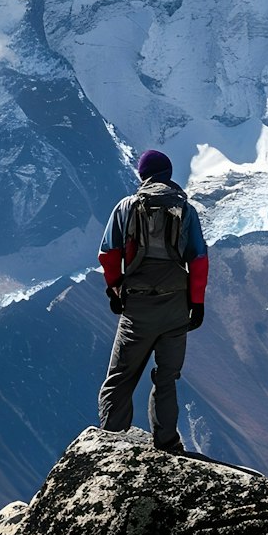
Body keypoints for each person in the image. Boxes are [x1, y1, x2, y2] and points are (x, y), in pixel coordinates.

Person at [97, 149, 209, 454]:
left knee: (120, 377)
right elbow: (198, 260)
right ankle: (167, 442)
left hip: (138, 307)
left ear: (142, 175)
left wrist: (115, 288)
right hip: (176, 307)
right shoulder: (186, 211)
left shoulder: (126, 207)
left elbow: (108, 254)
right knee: (167, 378)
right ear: (168, 175)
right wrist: (196, 303)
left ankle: (111, 441)